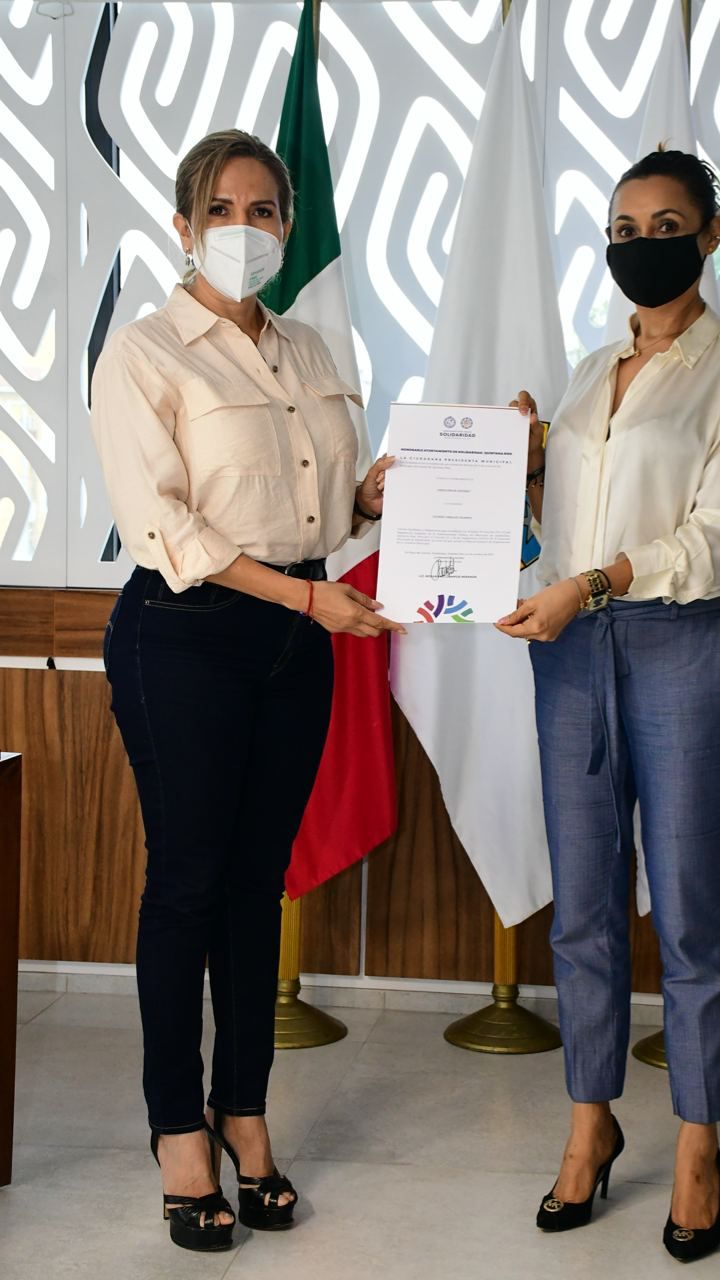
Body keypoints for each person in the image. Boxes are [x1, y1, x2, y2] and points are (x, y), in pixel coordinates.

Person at [91, 129, 404, 1253]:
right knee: (186, 884)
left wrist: (373, 500)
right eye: (220, 209)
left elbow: (321, 514)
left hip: (294, 635)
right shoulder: (143, 354)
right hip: (185, 634)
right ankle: (179, 1131)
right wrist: (306, 598)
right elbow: (167, 527)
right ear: (183, 227)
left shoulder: (311, 348)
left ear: (287, 224)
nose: (244, 227)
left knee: (256, 886)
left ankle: (244, 1112)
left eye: (263, 209)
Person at [498, 148, 720, 1264]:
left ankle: (698, 1143)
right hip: (573, 652)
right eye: (622, 229)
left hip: (680, 647)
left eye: (665, 225)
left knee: (686, 909)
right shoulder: (587, 372)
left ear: (708, 236)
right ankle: (590, 1123)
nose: (640, 245)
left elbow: (719, 535)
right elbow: (563, 528)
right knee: (581, 906)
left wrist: (595, 581)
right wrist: (525, 466)